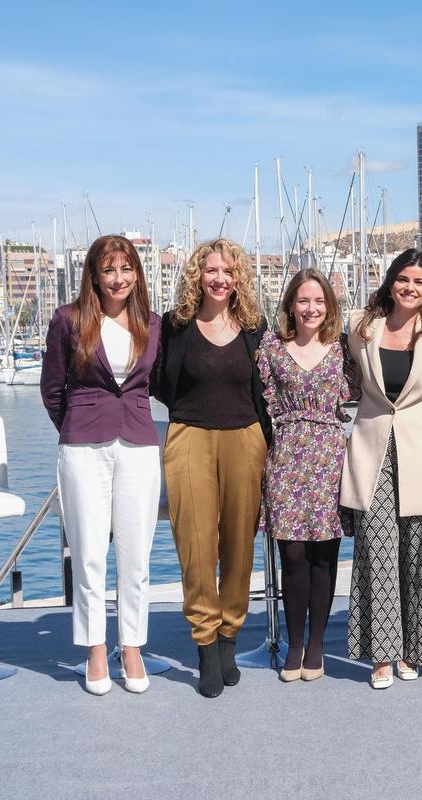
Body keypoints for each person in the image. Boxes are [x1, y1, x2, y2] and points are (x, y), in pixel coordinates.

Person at [40, 234, 162, 696]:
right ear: (93, 274)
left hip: (137, 444)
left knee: (136, 556)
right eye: (109, 270)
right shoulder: (67, 320)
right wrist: (76, 425)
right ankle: (94, 648)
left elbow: (153, 383)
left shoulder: (151, 324)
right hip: (83, 446)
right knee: (89, 554)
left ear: (137, 273)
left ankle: (131, 647)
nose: (118, 279)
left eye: (126, 269)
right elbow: (52, 389)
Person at [158, 237, 270, 698]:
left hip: (245, 438)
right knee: (197, 546)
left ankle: (229, 635)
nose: (220, 279)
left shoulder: (255, 328)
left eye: (228, 271)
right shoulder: (175, 326)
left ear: (239, 277)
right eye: (211, 271)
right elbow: (159, 381)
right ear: (197, 277)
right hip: (189, 436)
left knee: (240, 546)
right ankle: (205, 644)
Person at [341, 249, 422, 690]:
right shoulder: (360, 326)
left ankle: (415, 649)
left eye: (419, 282)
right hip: (371, 449)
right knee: (377, 550)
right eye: (403, 279)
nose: (410, 287)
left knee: (421, 552)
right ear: (391, 282)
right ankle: (383, 655)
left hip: (420, 450)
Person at [257, 269, 349, 683]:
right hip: (288, 452)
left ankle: (317, 645)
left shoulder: (342, 350)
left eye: (319, 301)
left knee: (323, 556)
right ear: (291, 305)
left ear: (328, 306)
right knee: (292, 555)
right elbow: (259, 401)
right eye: (303, 301)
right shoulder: (272, 349)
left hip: (329, 454)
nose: (311, 309)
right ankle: (294, 643)